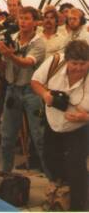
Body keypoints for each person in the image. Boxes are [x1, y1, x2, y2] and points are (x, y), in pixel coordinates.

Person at [31, 40, 89, 211]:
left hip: (80, 128)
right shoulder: (55, 62)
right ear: (67, 60)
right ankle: (62, 196)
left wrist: (85, 117)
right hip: (53, 123)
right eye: (74, 64)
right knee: (51, 161)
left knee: (75, 164)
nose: (78, 68)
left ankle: (78, 206)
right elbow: (35, 81)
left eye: (83, 64)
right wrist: (45, 94)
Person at [0, 6, 48, 174]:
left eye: (27, 18)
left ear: (36, 22)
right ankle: (5, 174)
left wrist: (9, 55)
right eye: (21, 18)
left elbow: (27, 63)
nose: (23, 21)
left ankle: (54, 181)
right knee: (7, 136)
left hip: (32, 92)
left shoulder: (39, 42)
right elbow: (2, 69)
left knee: (39, 136)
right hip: (12, 89)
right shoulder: (11, 38)